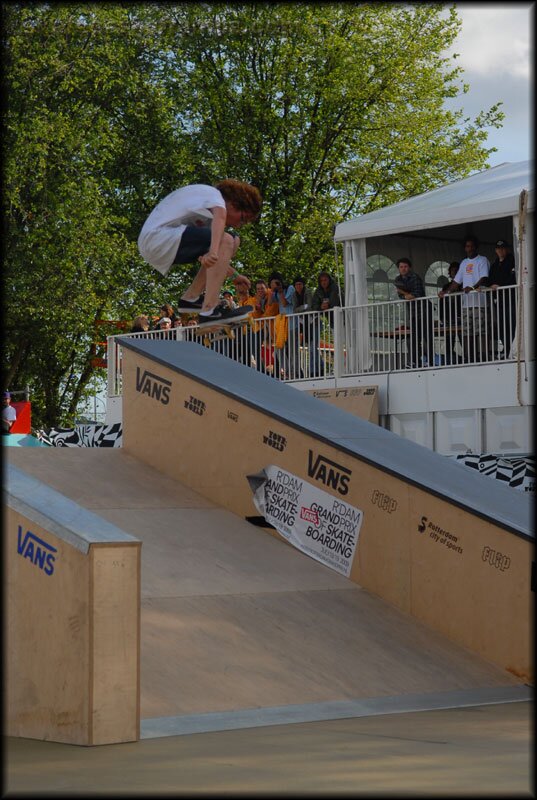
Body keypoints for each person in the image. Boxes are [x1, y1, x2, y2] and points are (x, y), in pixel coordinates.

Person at [138, 178, 262, 326]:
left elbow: (214, 262)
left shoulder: (205, 214)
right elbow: (221, 217)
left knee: (233, 240)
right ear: (234, 204)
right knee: (227, 239)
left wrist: (233, 275)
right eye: (242, 219)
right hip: (157, 237)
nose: (238, 225)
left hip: (162, 244)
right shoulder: (214, 195)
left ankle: (191, 298)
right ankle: (209, 311)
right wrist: (214, 251)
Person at [438, 236, 490, 363]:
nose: (469, 248)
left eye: (471, 246)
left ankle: (483, 356)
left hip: (480, 302)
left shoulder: (482, 260)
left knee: (481, 331)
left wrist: (473, 287)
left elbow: (484, 278)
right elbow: (456, 281)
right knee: (467, 332)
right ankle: (468, 356)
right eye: (467, 246)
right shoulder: (464, 263)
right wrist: (446, 292)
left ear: (476, 247)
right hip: (466, 304)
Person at [393, 258, 434, 369]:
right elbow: (402, 297)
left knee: (427, 337)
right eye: (401, 267)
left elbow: (416, 294)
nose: (403, 269)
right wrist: (406, 295)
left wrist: (404, 293)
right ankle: (416, 362)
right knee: (415, 338)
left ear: (409, 267)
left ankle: (430, 361)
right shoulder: (397, 279)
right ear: (398, 268)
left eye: (405, 266)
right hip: (413, 312)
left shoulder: (415, 277)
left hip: (424, 310)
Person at [484, 239, 517, 358]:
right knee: (502, 326)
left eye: (502, 248)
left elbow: (513, 278)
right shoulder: (494, 265)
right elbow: (489, 280)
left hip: (511, 299)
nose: (500, 250)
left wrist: (501, 287)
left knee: (512, 324)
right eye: (498, 248)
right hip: (499, 301)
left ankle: (512, 350)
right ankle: (506, 349)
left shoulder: (513, 261)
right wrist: (484, 286)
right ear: (495, 250)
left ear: (506, 249)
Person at [291, 276, 324, 377]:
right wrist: (303, 307)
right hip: (305, 325)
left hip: (315, 322)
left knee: (312, 348)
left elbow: (310, 307)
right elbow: (294, 310)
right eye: (296, 284)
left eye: (300, 284)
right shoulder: (294, 295)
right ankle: (321, 368)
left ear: (303, 285)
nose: (298, 286)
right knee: (312, 348)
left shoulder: (308, 292)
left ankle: (312, 372)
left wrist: (302, 308)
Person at [438, 262, 463, 365]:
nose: (455, 273)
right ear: (450, 273)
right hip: (449, 317)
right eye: (453, 271)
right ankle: (449, 360)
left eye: (457, 271)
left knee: (464, 339)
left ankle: (467, 357)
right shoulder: (447, 286)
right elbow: (442, 303)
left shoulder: (464, 285)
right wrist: (442, 317)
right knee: (449, 341)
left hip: (461, 316)